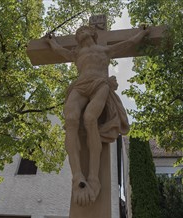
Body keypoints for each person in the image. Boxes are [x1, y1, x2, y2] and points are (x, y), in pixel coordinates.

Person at [47, 25, 149, 206]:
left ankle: (93, 177)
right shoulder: (77, 54)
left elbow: (129, 43)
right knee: (70, 120)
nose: (80, 32)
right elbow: (58, 50)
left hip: (100, 83)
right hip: (80, 85)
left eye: (83, 30)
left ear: (93, 33)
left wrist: (142, 33)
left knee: (89, 119)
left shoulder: (105, 49)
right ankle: (77, 176)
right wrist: (50, 41)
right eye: (78, 32)